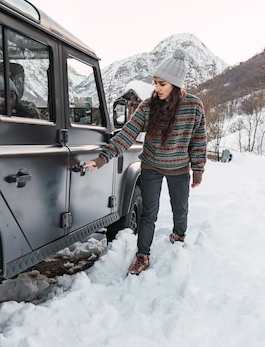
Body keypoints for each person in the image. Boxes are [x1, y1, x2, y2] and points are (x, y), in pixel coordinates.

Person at [83, 49, 206, 275]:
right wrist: (102, 159)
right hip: (151, 165)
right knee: (149, 212)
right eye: (155, 83)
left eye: (162, 84)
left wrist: (198, 169)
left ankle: (179, 236)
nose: (156, 88)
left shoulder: (194, 106)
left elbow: (199, 140)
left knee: (181, 208)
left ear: (176, 85)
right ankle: (142, 255)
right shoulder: (149, 106)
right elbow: (127, 133)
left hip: (179, 168)